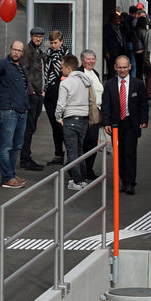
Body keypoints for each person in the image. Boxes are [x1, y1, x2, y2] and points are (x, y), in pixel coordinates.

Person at [100, 54, 148, 194]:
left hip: (131, 123)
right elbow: (106, 105)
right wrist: (106, 122)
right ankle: (123, 181)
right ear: (115, 68)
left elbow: (143, 104)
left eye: (125, 67)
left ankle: (130, 183)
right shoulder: (109, 84)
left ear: (130, 67)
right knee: (119, 153)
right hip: (116, 124)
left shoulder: (138, 84)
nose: (122, 70)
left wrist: (143, 120)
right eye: (119, 67)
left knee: (130, 153)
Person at [0, 41, 29, 188]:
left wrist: (26, 107)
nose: (16, 52)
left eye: (19, 50)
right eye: (14, 49)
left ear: (22, 52)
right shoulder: (4, 64)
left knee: (17, 145)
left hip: (21, 111)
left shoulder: (21, 67)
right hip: (8, 111)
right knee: (6, 146)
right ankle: (6, 178)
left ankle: (11, 174)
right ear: (10, 50)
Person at [54, 52, 92, 191]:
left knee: (72, 152)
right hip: (84, 119)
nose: (60, 69)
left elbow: (60, 105)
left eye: (62, 67)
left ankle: (76, 181)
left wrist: (58, 117)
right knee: (80, 150)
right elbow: (89, 100)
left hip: (70, 119)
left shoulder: (66, 83)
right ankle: (82, 179)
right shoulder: (85, 80)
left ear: (68, 69)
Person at [18, 27, 47, 171]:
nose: (38, 39)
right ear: (31, 36)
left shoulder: (39, 52)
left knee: (32, 127)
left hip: (39, 93)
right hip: (32, 95)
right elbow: (24, 73)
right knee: (28, 129)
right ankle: (25, 159)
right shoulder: (28, 52)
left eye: (41, 37)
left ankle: (26, 156)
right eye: (36, 36)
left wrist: (43, 90)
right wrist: (32, 93)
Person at [78, 50, 104, 182]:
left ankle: (89, 170)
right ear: (82, 60)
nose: (91, 61)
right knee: (83, 143)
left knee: (93, 143)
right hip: (84, 112)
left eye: (93, 59)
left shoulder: (96, 73)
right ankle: (79, 171)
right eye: (88, 59)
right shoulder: (79, 73)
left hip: (96, 113)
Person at [43, 30, 67, 166]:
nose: (53, 45)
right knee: (54, 125)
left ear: (61, 42)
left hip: (61, 93)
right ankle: (58, 154)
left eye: (55, 43)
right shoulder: (48, 54)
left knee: (62, 125)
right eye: (51, 43)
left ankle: (69, 154)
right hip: (49, 93)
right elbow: (45, 70)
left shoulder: (66, 54)